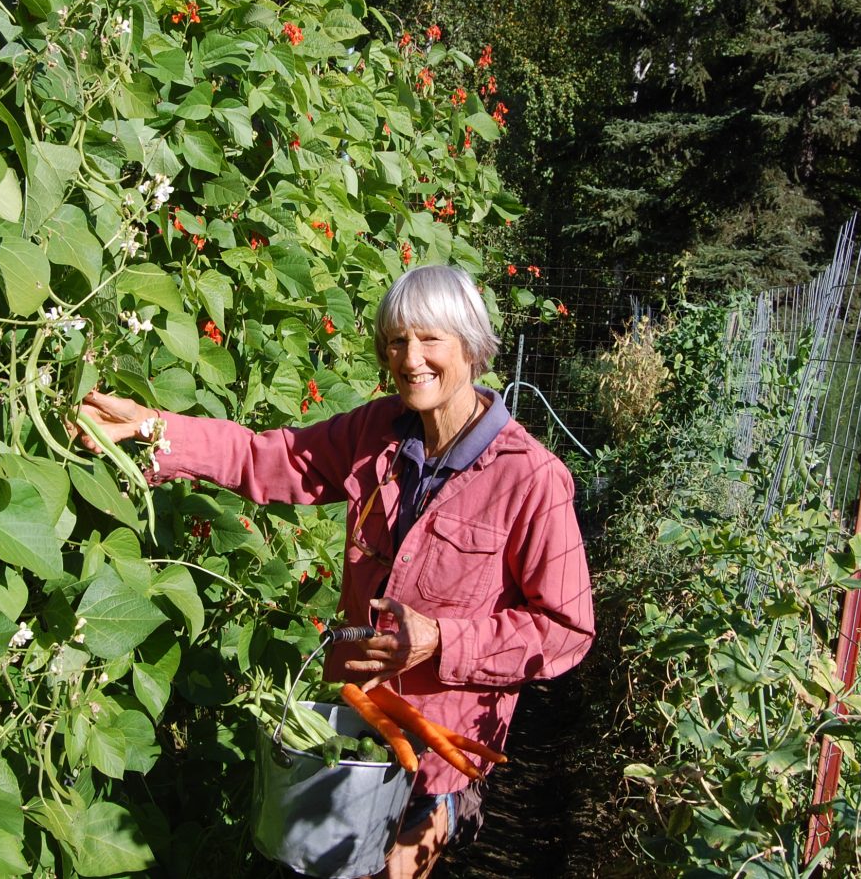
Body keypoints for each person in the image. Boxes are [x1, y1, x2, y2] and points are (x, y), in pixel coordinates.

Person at [78, 264, 594, 878]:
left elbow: (566, 629)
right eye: (398, 340)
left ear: (472, 348)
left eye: (431, 340)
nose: (411, 358)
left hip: (444, 753)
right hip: (359, 733)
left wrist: (440, 640)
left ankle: (447, 818)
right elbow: (269, 457)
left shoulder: (530, 478)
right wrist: (155, 430)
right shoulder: (376, 432)